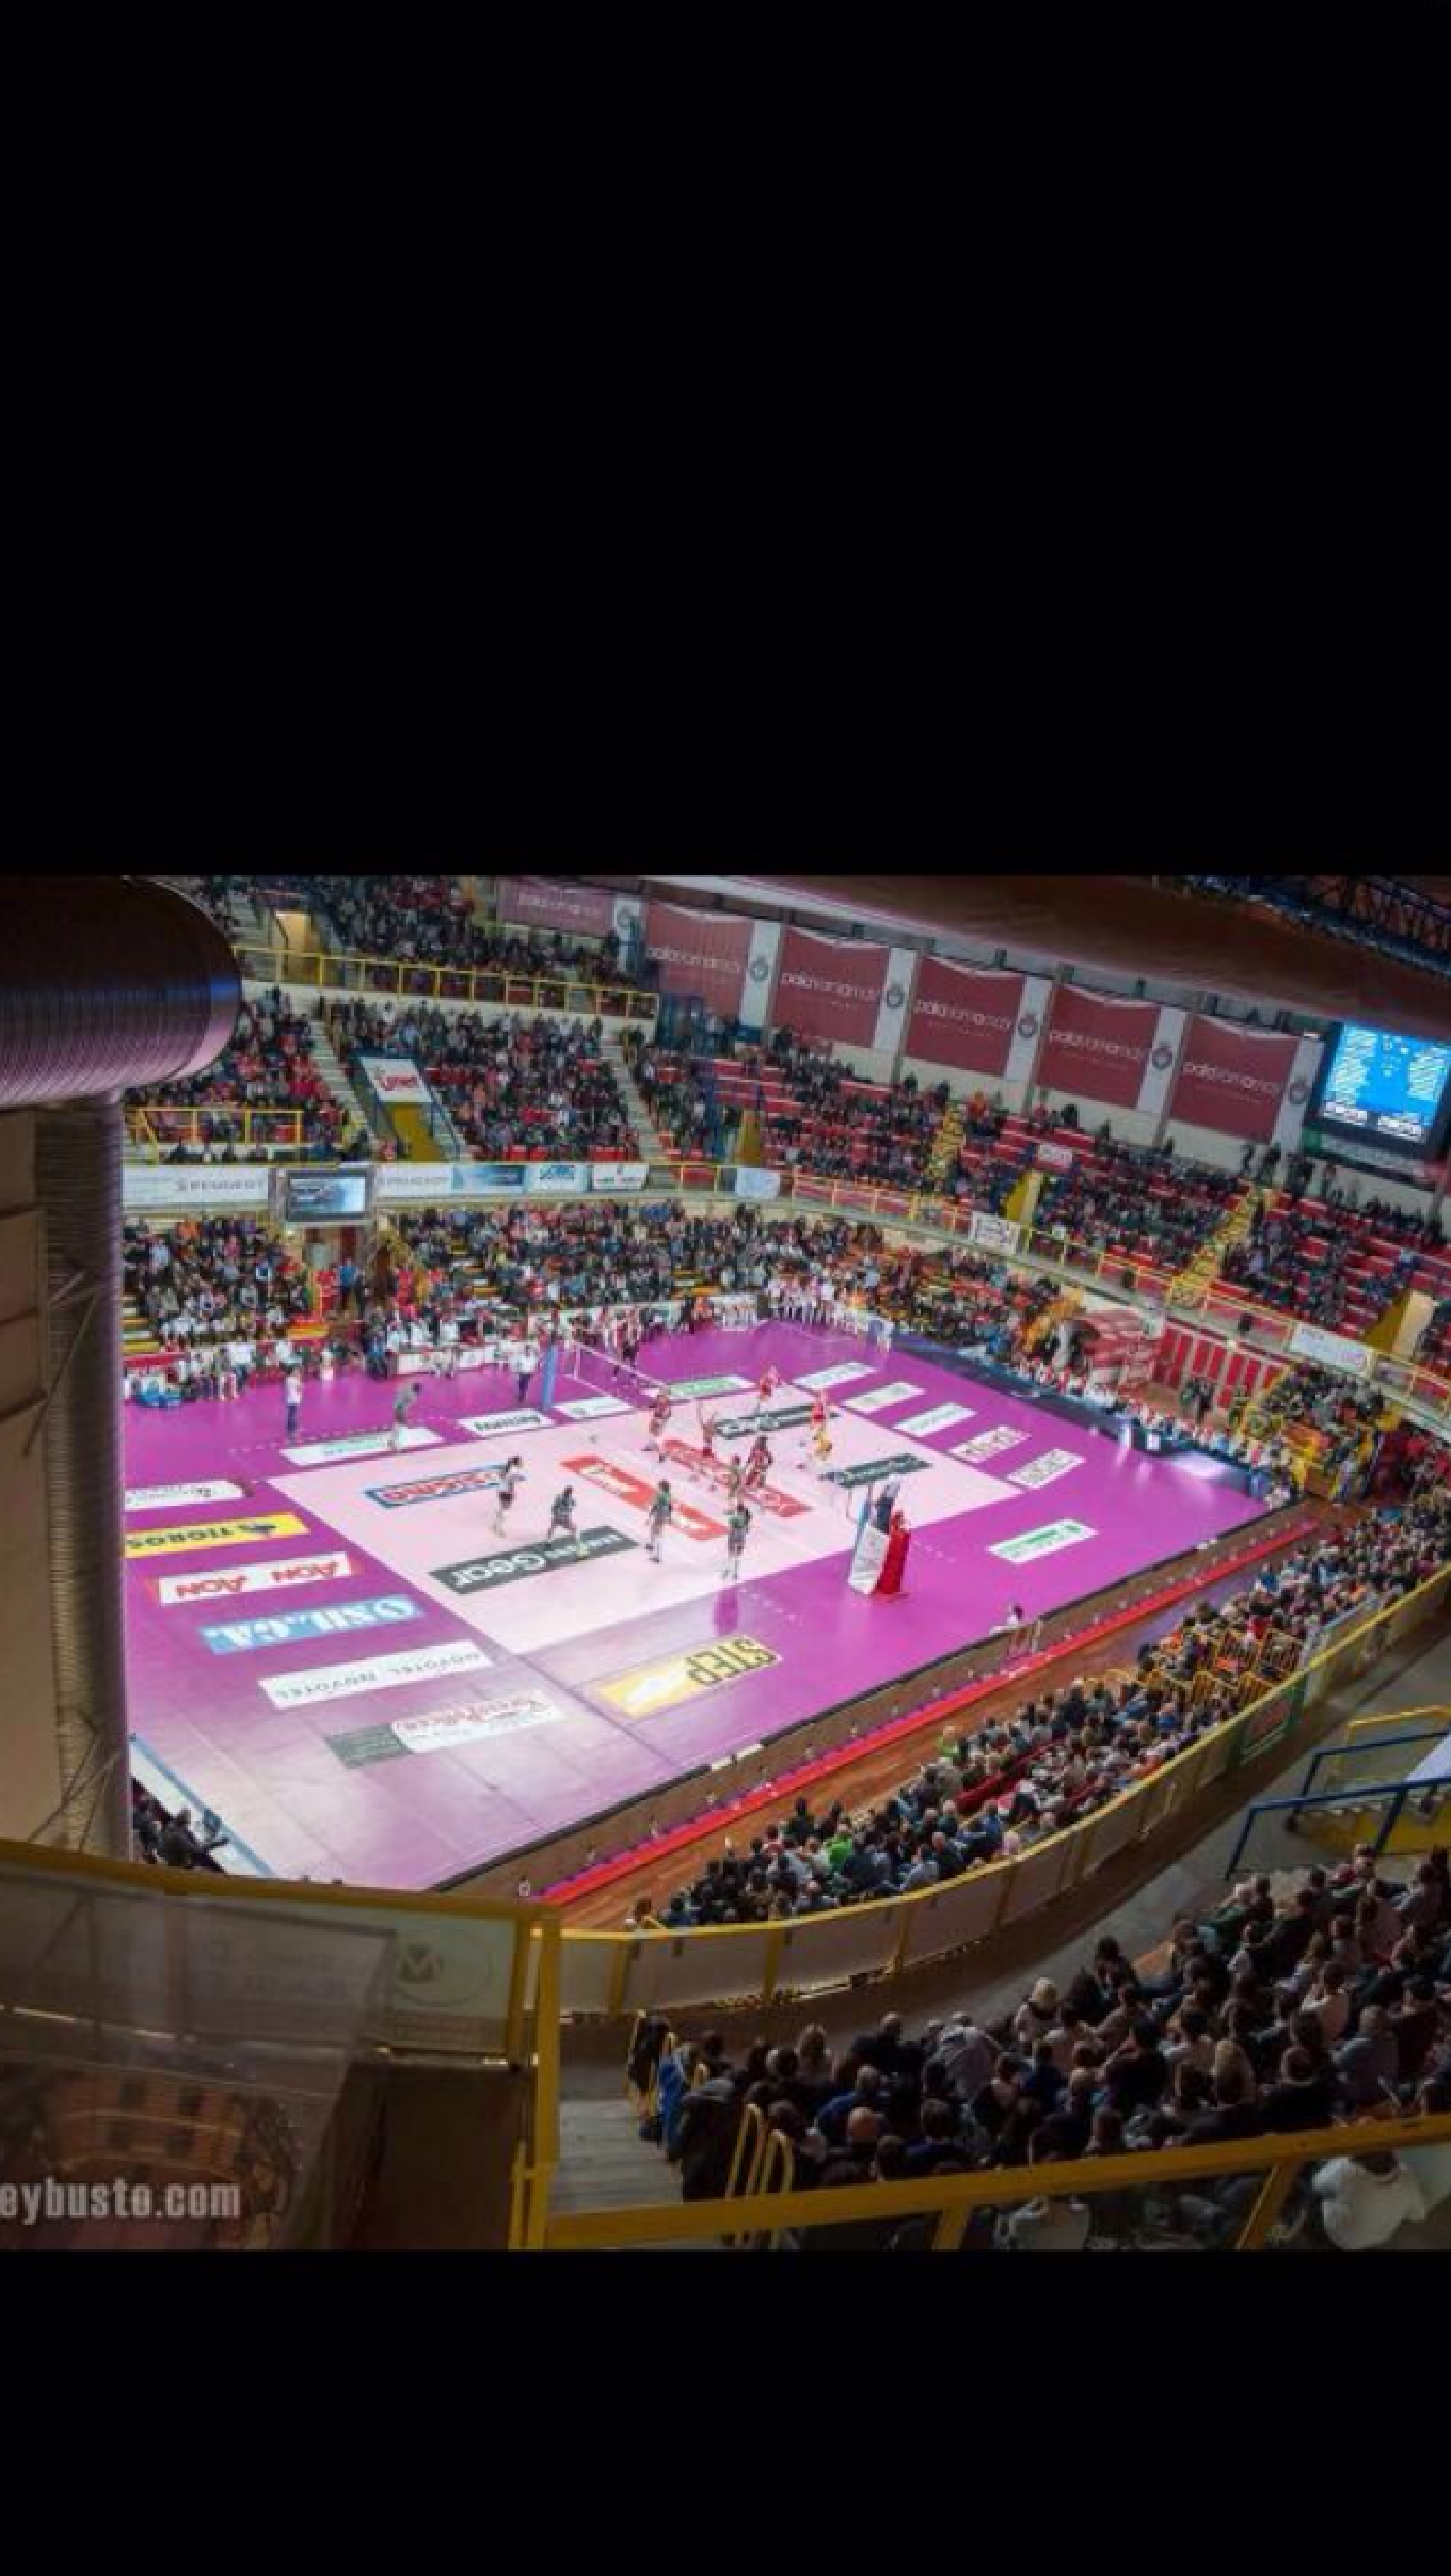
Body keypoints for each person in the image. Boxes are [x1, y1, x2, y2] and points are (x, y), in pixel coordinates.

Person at [493, 1456, 526, 1538]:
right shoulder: (515, 1471)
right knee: (506, 1510)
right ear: (517, 1463)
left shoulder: (507, 1468)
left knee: (502, 1508)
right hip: (507, 1491)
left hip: (500, 1490)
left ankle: (495, 1525)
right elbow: (511, 1482)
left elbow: (501, 1476)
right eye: (521, 1462)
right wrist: (512, 1493)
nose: (522, 1463)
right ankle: (499, 1529)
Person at [548, 1486, 583, 1556]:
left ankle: (548, 1541)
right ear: (570, 1493)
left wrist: (555, 1513)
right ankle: (580, 1550)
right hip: (564, 1519)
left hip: (557, 1517)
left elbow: (553, 1507)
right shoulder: (571, 1500)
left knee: (552, 1528)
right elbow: (571, 1508)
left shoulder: (559, 1497)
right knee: (575, 1529)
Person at [647, 1480, 674, 1564]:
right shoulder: (669, 1495)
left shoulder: (660, 1495)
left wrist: (650, 1516)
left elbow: (656, 1506)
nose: (658, 1487)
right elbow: (670, 1507)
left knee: (658, 1535)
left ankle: (658, 1557)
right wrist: (669, 1517)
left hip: (660, 1515)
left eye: (660, 1486)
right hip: (663, 1515)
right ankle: (652, 1545)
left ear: (662, 1487)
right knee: (654, 1530)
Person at [724, 1501, 752, 1584]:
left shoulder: (733, 1518)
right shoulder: (745, 1519)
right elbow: (747, 1531)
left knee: (730, 1554)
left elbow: (731, 1527)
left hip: (733, 1536)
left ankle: (727, 1570)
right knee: (738, 1556)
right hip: (741, 1537)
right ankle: (736, 1573)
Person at [390, 1384, 419, 1451]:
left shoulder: (407, 1390)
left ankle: (392, 1441)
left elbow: (398, 1391)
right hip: (401, 1410)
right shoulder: (413, 1396)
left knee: (397, 1425)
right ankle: (394, 1443)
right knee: (399, 1427)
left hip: (397, 1408)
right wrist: (405, 1417)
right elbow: (404, 1404)